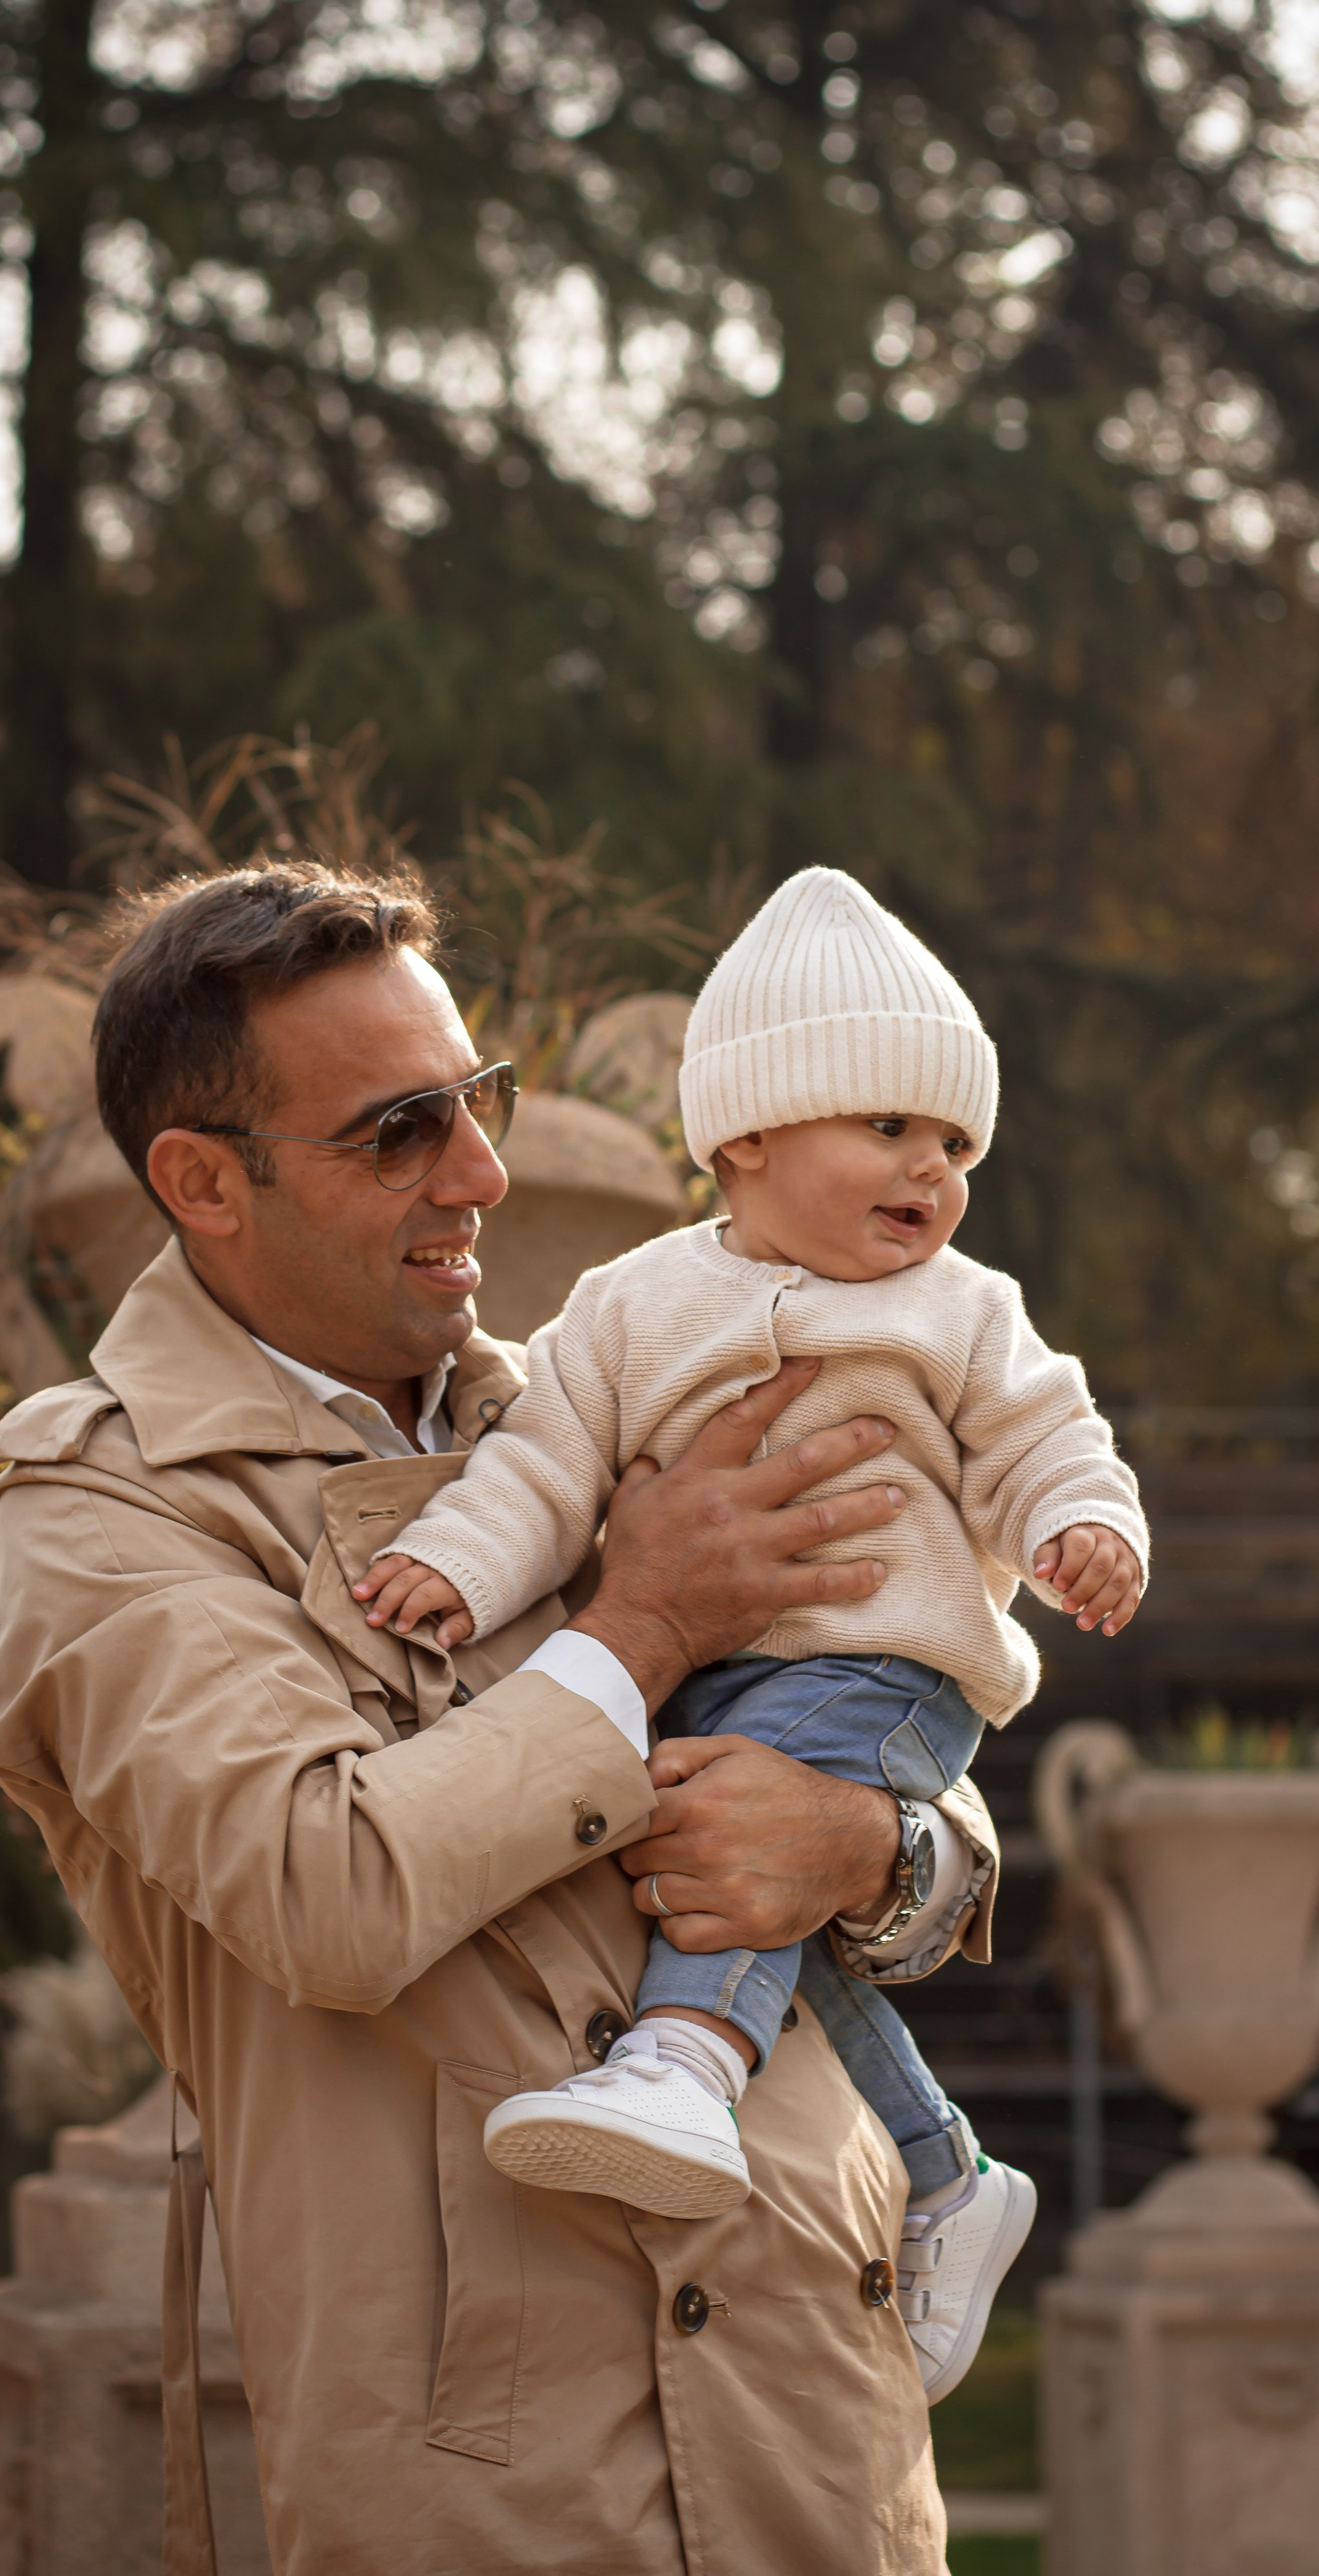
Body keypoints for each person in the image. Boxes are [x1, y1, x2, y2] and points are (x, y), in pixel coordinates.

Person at [0, 858, 1004, 2576]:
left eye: (477, 1101)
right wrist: (642, 1626)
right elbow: (324, 1889)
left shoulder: (598, 1396)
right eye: (399, 1132)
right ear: (202, 1182)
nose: (481, 1174)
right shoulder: (101, 1511)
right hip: (495, 2496)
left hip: (823, 2444)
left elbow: (896, 1700)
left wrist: (872, 1848)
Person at [359, 866, 1148, 2399]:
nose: (929, 1168)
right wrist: (458, 1560)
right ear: (745, 1140)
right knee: (745, 1875)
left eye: (953, 1143)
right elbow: (544, 1465)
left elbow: (1051, 1434)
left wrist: (1083, 1526)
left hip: (884, 1660)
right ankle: (949, 2175)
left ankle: (681, 2067)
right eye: (888, 1126)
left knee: (733, 1832)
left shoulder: (962, 1310)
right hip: (710, 1672)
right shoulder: (628, 1304)